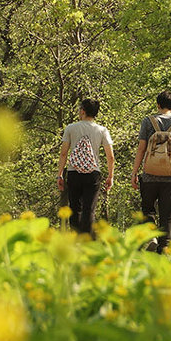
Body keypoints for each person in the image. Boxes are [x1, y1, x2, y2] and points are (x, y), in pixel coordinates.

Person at [131, 89, 171, 253]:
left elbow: (141, 149)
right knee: (167, 215)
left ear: (157, 105)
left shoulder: (148, 122)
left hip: (149, 176)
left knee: (148, 210)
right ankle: (163, 248)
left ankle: (151, 238)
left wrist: (134, 173)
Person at [56, 98, 114, 237]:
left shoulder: (71, 128)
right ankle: (86, 242)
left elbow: (64, 153)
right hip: (93, 174)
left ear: (82, 111)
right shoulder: (102, 130)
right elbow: (110, 156)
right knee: (89, 209)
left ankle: (75, 241)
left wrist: (60, 174)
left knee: (75, 208)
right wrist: (110, 176)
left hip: (73, 172)